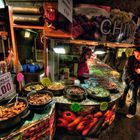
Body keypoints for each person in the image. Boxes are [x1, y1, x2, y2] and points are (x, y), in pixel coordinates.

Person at [119, 47, 140, 118]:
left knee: (134, 97)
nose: (139, 57)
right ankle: (120, 105)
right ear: (134, 53)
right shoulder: (130, 59)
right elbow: (127, 70)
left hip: (137, 81)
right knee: (124, 91)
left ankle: (132, 112)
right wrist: (131, 79)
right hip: (128, 78)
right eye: (137, 56)